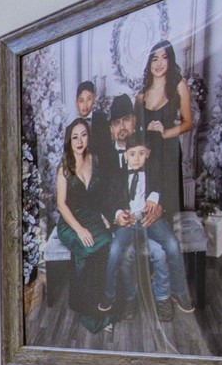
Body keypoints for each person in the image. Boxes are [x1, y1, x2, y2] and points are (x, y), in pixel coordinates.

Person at [134, 40, 195, 312]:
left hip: (169, 156)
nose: (158, 63)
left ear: (170, 60)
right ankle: (158, 279)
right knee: (149, 211)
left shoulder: (178, 85)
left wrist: (164, 132)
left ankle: (173, 289)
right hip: (147, 160)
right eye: (153, 58)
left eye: (163, 58)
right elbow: (135, 136)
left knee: (166, 216)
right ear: (149, 63)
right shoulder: (140, 95)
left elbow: (189, 122)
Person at [104, 141, 187, 323]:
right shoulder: (117, 176)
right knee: (116, 249)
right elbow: (111, 200)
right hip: (129, 222)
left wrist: (156, 197)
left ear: (148, 153)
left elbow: (166, 188)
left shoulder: (155, 171)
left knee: (172, 245)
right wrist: (119, 213)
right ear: (125, 155)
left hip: (150, 220)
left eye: (141, 153)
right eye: (132, 154)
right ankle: (110, 294)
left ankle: (177, 292)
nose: (136, 159)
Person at [53, 117, 113, 333]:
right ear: (69, 140)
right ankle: (91, 313)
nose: (79, 141)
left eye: (83, 135)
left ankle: (97, 299)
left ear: (89, 136)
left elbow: (96, 196)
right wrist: (79, 229)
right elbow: (61, 205)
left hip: (90, 215)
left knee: (106, 242)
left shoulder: (94, 159)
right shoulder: (64, 168)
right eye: (74, 137)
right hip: (70, 221)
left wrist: (102, 215)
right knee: (88, 250)